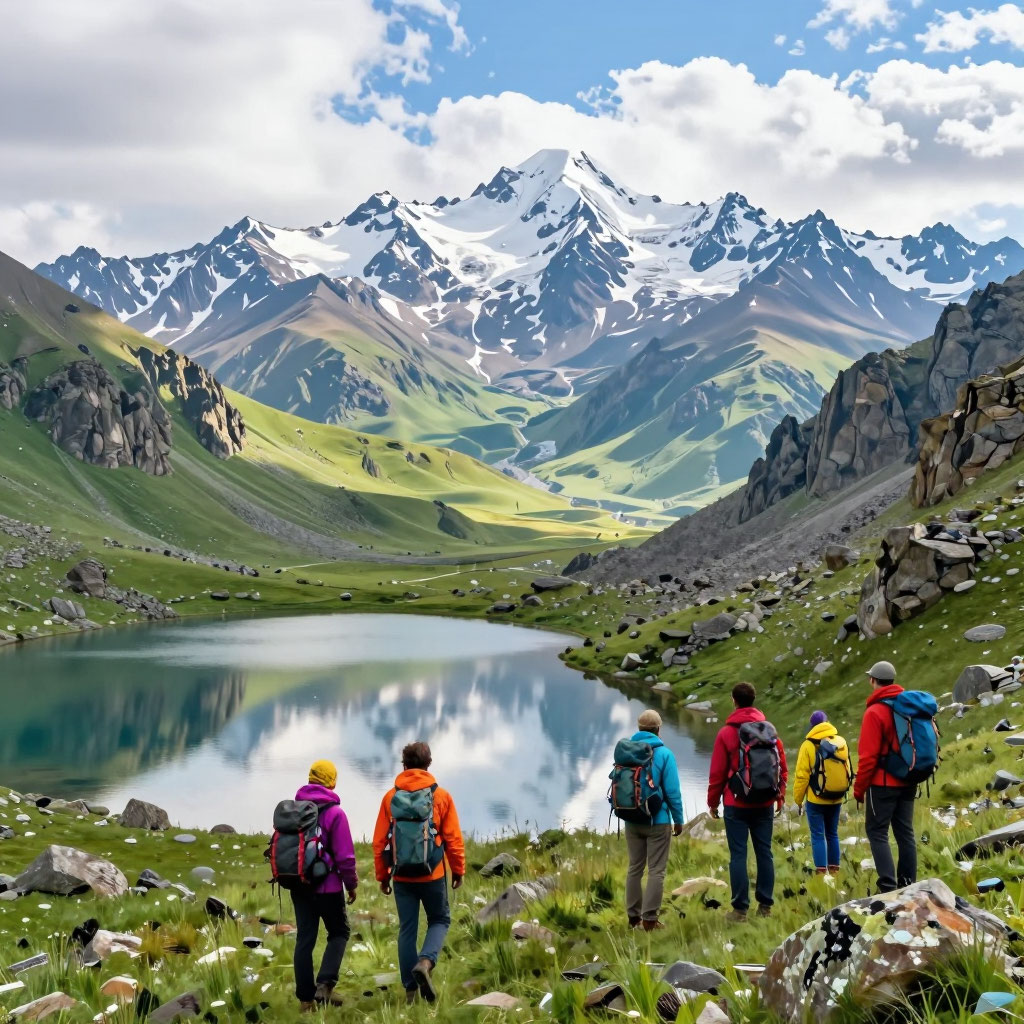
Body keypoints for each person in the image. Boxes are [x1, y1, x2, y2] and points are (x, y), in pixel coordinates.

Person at [373, 742, 465, 1005]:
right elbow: (453, 839)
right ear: (428, 764)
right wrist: (457, 870)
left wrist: (383, 876)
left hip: (402, 876)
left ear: (404, 765)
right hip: (433, 874)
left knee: (407, 930)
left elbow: (380, 842)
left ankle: (410, 992)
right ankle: (425, 961)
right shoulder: (441, 796)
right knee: (439, 920)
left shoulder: (390, 798)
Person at [707, 682, 787, 921]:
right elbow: (782, 766)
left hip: (736, 804)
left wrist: (713, 802)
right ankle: (765, 907)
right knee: (765, 853)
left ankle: (740, 910)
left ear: (734, 700)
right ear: (753, 700)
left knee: (738, 855)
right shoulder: (769, 731)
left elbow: (718, 773)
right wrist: (780, 794)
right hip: (764, 802)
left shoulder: (726, 733)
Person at [291, 760, 358, 1012]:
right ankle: (324, 986)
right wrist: (351, 884)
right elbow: (345, 857)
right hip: (328, 888)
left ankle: (306, 1002)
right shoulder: (335, 813)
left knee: (304, 940)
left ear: (310, 778)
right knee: (339, 932)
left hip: (299, 886)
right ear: (332, 782)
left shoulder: (294, 810)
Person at [854, 660, 917, 893]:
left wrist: (859, 789)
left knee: (877, 832)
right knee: (905, 833)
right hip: (909, 779)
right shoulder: (907, 706)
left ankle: (888, 888)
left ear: (873, 681)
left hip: (882, 784)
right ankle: (909, 884)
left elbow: (868, 757)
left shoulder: (874, 712)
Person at [622, 709, 685, 931]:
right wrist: (678, 819)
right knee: (656, 870)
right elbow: (672, 792)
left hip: (631, 818)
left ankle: (632, 917)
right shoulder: (664, 754)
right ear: (658, 729)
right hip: (657, 820)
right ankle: (649, 920)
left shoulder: (626, 751)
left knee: (635, 868)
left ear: (639, 729)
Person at [792, 711, 847, 875]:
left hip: (816, 799)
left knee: (817, 835)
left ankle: (821, 872)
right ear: (827, 722)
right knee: (832, 833)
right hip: (836, 796)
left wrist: (798, 799)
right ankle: (835, 870)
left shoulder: (808, 745)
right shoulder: (840, 741)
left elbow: (802, 775)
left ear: (812, 726)